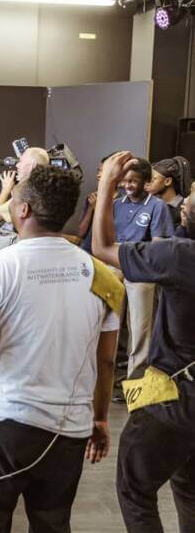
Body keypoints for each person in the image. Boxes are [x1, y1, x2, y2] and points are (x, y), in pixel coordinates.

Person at [0, 165, 121, 533]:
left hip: (3, 425)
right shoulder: (104, 275)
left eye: (13, 197)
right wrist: (100, 420)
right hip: (70, 430)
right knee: (52, 523)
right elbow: (106, 359)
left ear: (24, 210)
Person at [92, 151, 195, 533]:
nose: (185, 203)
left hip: (174, 399)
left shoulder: (181, 255)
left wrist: (105, 185)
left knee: (135, 489)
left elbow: (102, 248)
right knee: (189, 489)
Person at [110, 158, 173, 387]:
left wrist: (132, 252)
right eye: (125, 181)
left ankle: (135, 382)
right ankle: (105, 377)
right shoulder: (117, 204)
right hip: (115, 265)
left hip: (142, 271)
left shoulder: (158, 207)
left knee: (140, 329)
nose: (128, 185)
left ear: (146, 183)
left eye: (133, 181)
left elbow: (158, 246)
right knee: (109, 323)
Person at [0, 147, 49, 251]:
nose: (17, 165)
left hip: (12, 245)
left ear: (32, 165)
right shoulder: (43, 189)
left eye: (21, 161)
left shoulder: (28, 191)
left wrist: (6, 188)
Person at [149, 156, 191, 228]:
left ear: (167, 181)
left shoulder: (184, 210)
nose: (148, 183)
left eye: (153, 179)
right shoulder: (152, 204)